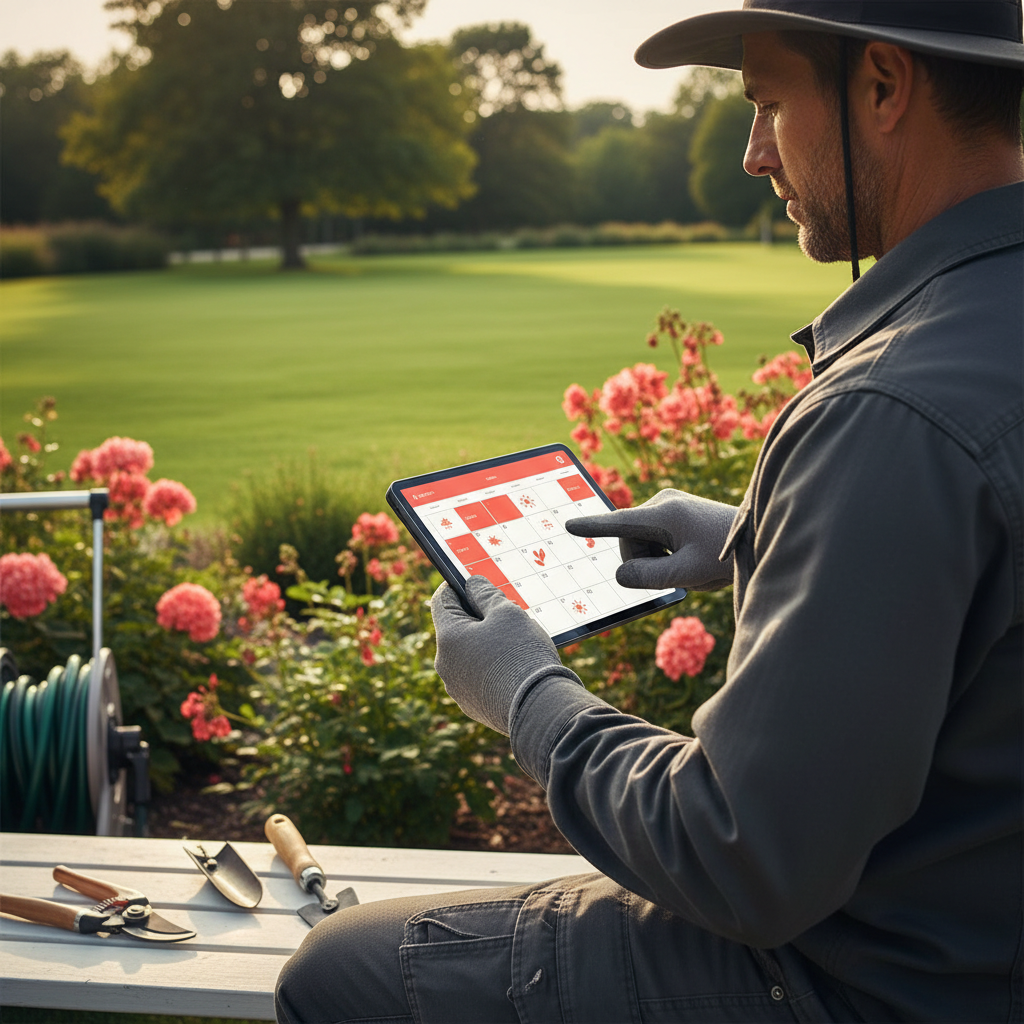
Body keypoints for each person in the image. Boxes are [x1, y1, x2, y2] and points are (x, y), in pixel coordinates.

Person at [275, 2, 1024, 1021]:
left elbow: (741, 858)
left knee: (337, 969)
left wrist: (527, 694)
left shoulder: (886, 412)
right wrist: (761, 537)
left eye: (766, 105)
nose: (754, 155)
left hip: (873, 983)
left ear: (883, 87)